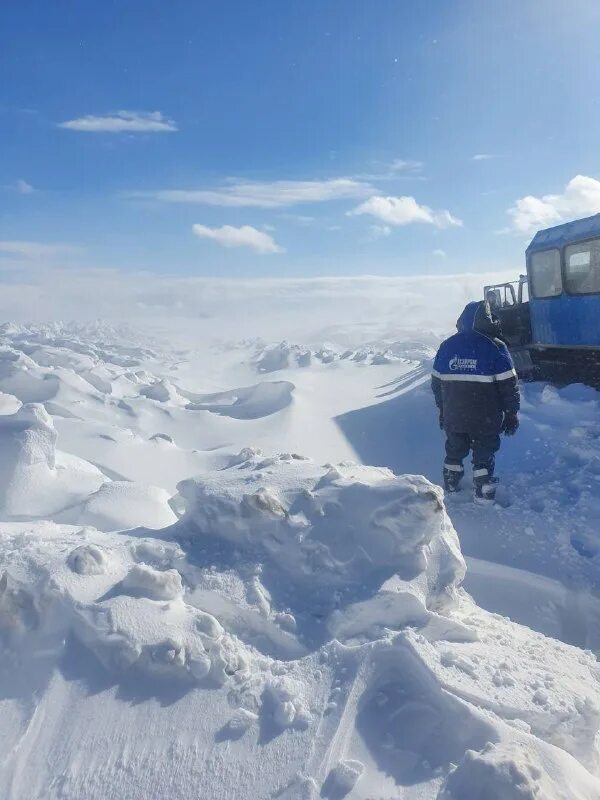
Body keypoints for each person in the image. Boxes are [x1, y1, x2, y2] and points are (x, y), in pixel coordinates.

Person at [431, 301, 520, 500]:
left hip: (454, 415)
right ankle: (484, 488)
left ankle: (451, 482)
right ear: (487, 320)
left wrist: (443, 410)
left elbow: (436, 384)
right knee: (484, 451)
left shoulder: (447, 346)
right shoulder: (495, 346)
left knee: (454, 449)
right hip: (486, 417)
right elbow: (508, 385)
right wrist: (512, 412)